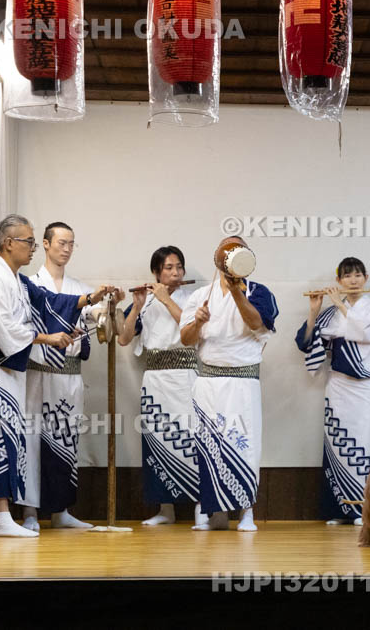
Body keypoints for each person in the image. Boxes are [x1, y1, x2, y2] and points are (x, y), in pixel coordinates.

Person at [0, 215, 112, 537]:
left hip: (12, 371)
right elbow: (5, 331)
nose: (32, 248)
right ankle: (3, 517)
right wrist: (46, 338)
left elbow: (50, 303)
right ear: (8, 243)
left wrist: (90, 298)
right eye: (29, 241)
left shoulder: (18, 281)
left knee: (1, 441)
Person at [180, 236, 278, 532]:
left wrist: (237, 293)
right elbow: (185, 339)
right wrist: (197, 321)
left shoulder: (260, 292)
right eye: (227, 251)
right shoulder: (201, 296)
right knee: (209, 447)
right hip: (208, 381)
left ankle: (246, 512)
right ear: (218, 259)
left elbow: (256, 323)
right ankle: (213, 513)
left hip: (243, 382)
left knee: (245, 446)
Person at [18, 222, 107, 532]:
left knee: (66, 441)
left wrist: (104, 308)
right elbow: (31, 327)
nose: (67, 248)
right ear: (45, 244)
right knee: (32, 439)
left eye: (72, 243)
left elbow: (93, 316)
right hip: (39, 376)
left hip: (69, 378)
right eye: (61, 242)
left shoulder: (78, 287)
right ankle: (30, 511)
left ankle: (61, 510)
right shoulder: (30, 284)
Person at [295, 257, 370, 526]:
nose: (353, 280)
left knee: (365, 443)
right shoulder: (329, 312)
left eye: (358, 274)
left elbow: (368, 334)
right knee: (337, 443)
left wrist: (338, 304)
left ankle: (362, 509)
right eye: (347, 276)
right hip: (339, 384)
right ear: (339, 281)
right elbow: (305, 342)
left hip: (367, 384)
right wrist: (314, 311)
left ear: (365, 278)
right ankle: (339, 508)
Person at [118, 246, 203, 527]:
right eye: (168, 268)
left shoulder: (194, 298)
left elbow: (191, 328)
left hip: (186, 377)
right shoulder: (147, 301)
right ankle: (164, 510)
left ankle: (202, 508)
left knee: (192, 439)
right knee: (157, 441)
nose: (175, 272)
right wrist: (138, 306)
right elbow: (124, 339)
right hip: (154, 379)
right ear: (156, 272)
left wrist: (166, 299)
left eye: (179, 267)